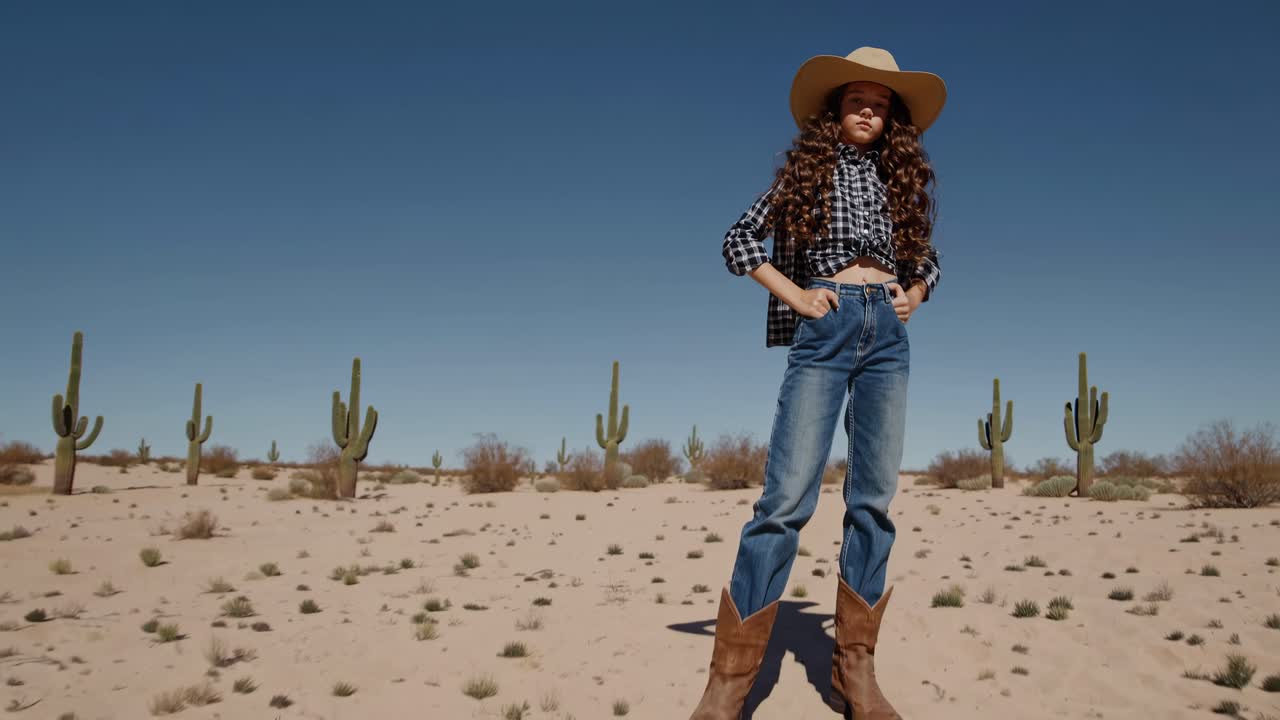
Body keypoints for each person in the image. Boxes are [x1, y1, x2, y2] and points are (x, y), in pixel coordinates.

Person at [690, 46, 947, 720]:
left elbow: (929, 259)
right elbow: (739, 242)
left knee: (874, 502)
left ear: (891, 119)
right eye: (858, 99)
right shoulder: (806, 175)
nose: (869, 110)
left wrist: (915, 292)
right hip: (826, 328)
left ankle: (853, 673)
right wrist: (800, 296)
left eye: (881, 104)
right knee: (784, 501)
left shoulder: (899, 185)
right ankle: (729, 683)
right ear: (836, 108)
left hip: (888, 338)